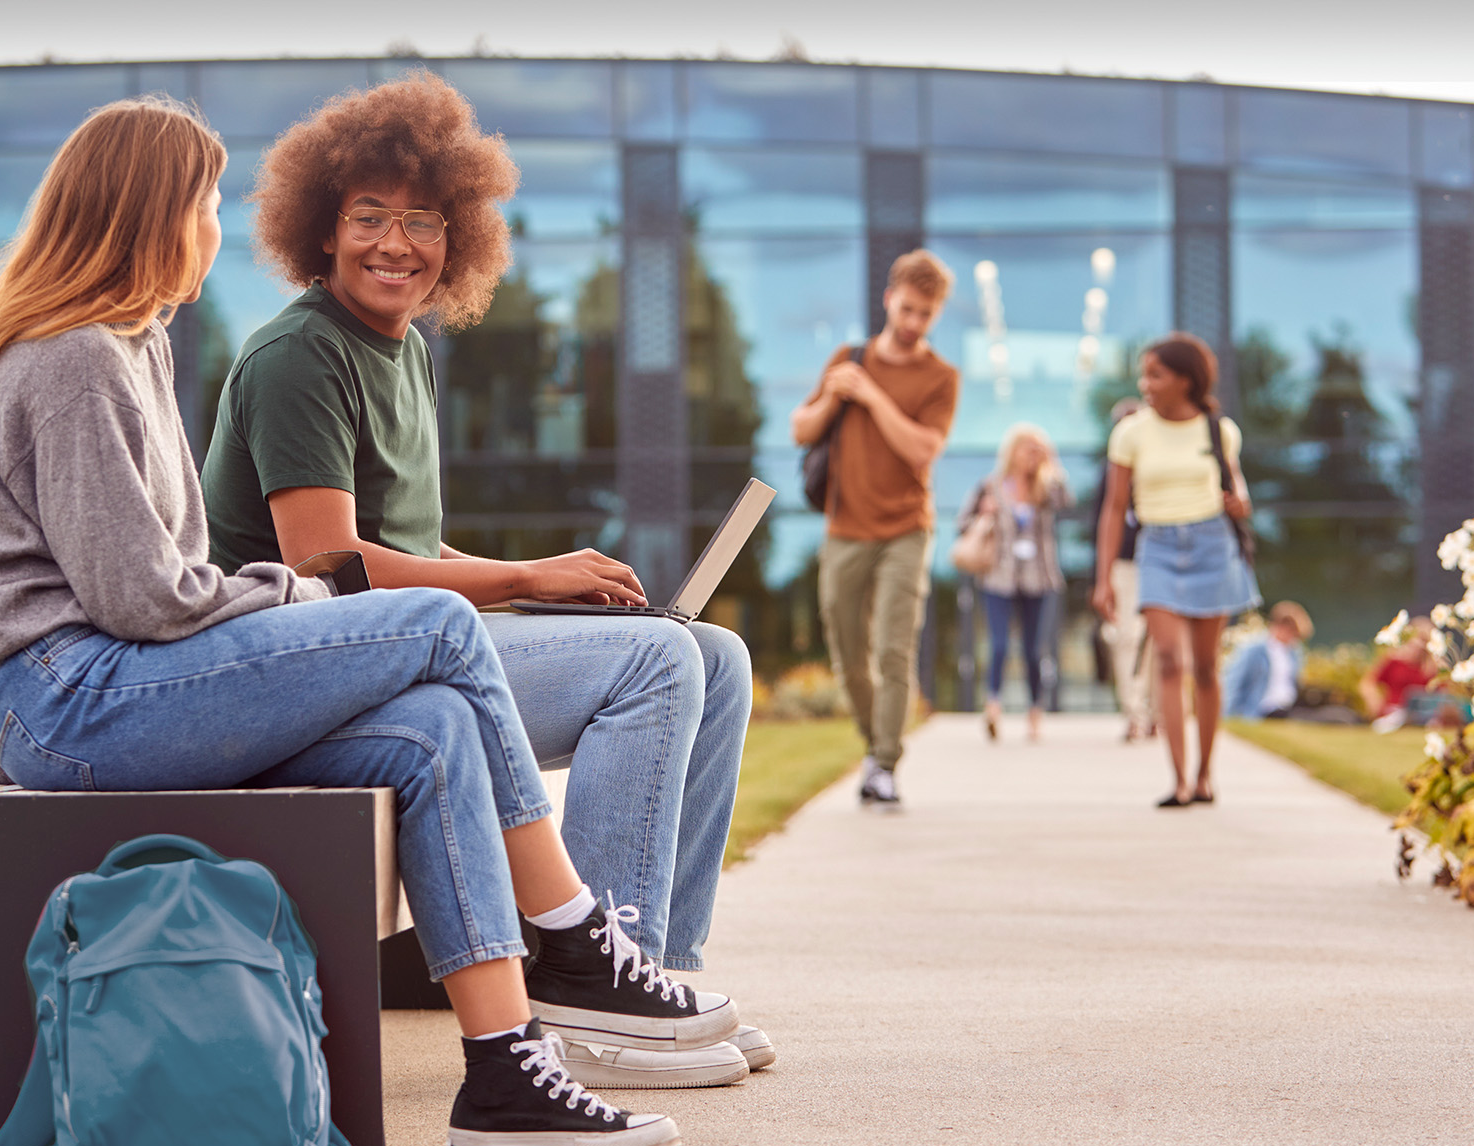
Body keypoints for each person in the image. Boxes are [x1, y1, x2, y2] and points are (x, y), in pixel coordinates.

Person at [0, 96, 723, 1146]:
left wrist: (262, 602)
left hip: (127, 679)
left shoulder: (134, 349)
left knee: (437, 727)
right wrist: (298, 600)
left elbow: (163, 589)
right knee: (444, 628)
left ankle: (503, 1074)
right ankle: (579, 939)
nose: (215, 225)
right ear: (149, 213)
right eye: (203, 202)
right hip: (79, 696)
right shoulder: (73, 359)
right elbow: (141, 599)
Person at [196, 74, 768, 1083]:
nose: (394, 243)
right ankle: (585, 989)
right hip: (317, 673)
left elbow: (415, 545)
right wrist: (522, 571)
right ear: (320, 231)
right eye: (367, 216)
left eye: (421, 220)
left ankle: (653, 977)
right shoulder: (298, 358)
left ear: (454, 237)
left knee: (712, 657)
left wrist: (544, 587)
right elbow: (323, 562)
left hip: (402, 647)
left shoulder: (402, 350)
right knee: (652, 666)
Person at [789, 250, 960, 809]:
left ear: (936, 315)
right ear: (889, 299)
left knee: (893, 647)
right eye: (907, 308)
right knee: (847, 649)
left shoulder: (941, 378)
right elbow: (801, 427)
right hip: (844, 528)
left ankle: (884, 764)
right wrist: (838, 394)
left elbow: (922, 451)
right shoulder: (849, 357)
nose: (913, 322)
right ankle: (873, 746)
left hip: (907, 530)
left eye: (925, 314)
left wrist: (871, 396)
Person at [1091, 333, 1261, 808]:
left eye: (1155, 375)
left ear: (1185, 380)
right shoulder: (1130, 433)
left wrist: (1240, 502)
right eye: (1144, 374)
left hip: (1211, 544)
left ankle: (1205, 774)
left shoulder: (1218, 429)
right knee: (1170, 660)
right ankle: (1179, 780)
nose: (1145, 384)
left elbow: (1238, 488)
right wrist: (1103, 577)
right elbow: (1113, 508)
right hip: (1159, 547)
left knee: (1206, 668)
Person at [957, 422, 1070, 743]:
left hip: (1040, 579)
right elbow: (962, 523)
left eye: (1037, 450)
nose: (1031, 456)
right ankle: (993, 705)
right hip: (999, 578)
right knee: (999, 644)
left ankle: (1035, 711)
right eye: (1027, 448)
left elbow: (1066, 499)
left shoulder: (1047, 487)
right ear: (1012, 451)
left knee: (1035, 649)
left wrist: (1052, 461)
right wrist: (984, 514)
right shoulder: (990, 487)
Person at [1090, 398, 1156, 741]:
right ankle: (1134, 713)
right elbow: (1103, 521)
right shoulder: (1111, 469)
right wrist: (1101, 579)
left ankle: (1158, 711)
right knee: (1127, 638)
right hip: (1124, 563)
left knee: (1161, 641)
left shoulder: (1159, 461)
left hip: (1160, 559)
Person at [1223, 601, 1314, 720]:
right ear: (1281, 626)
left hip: (1288, 708)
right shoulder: (1254, 650)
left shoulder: (1294, 653)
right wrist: (1229, 715)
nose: (1294, 639)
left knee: (1339, 716)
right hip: (1263, 710)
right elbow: (1234, 684)